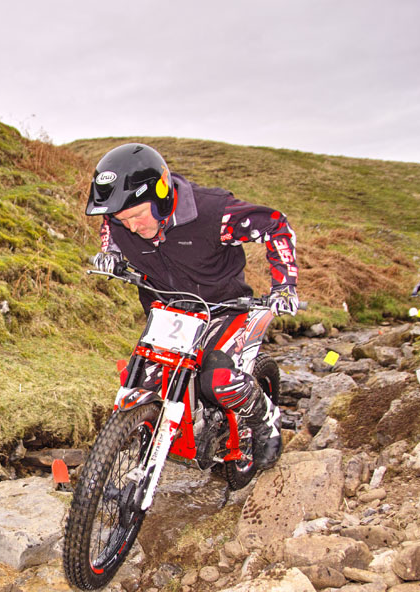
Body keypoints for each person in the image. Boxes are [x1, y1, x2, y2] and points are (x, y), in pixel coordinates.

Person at [86, 143, 298, 469]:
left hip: (222, 308)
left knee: (218, 381)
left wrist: (284, 286)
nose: (132, 227)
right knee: (144, 382)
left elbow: (274, 224)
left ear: (161, 194)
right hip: (167, 312)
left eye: (138, 216)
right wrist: (111, 253)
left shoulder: (214, 213)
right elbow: (110, 227)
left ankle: (264, 418)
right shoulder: (119, 218)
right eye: (122, 219)